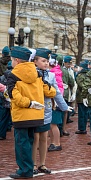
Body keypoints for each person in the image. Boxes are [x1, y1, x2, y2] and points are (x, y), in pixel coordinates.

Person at [6, 46, 56, 179]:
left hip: (22, 115)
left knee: (21, 144)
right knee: (29, 141)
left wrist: (29, 103)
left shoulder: (13, 75)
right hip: (37, 115)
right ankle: (28, 167)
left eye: (12, 59)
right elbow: (51, 91)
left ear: (17, 60)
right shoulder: (37, 74)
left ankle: (25, 170)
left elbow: (14, 96)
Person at [32, 49, 72, 174]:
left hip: (47, 109)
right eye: (43, 61)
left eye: (47, 61)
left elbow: (57, 93)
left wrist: (64, 106)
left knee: (44, 137)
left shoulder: (51, 75)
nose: (46, 63)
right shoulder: (31, 74)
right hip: (35, 109)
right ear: (35, 61)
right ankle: (33, 164)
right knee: (35, 138)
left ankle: (42, 164)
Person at [75, 61, 89, 134]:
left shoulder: (80, 75)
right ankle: (84, 127)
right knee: (85, 112)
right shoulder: (89, 74)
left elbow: (81, 85)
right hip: (88, 95)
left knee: (81, 113)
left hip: (81, 96)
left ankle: (82, 128)